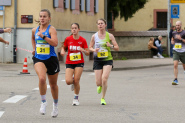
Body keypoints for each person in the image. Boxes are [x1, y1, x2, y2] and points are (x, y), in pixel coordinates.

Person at [31, 9, 60, 117]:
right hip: (39, 58)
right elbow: (33, 39)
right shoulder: (35, 30)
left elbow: (55, 43)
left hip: (51, 59)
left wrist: (44, 36)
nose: (42, 18)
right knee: (42, 78)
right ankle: (43, 102)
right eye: (41, 16)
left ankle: (55, 106)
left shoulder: (51, 30)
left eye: (44, 16)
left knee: (53, 85)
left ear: (49, 18)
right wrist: (34, 48)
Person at [89, 18, 119, 105]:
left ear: (105, 25)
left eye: (102, 23)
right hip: (97, 60)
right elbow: (90, 47)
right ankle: (100, 86)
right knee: (98, 82)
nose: (100, 25)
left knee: (104, 79)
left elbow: (117, 48)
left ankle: (103, 98)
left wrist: (111, 45)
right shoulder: (94, 36)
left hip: (107, 59)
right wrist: (94, 49)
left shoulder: (110, 36)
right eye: (98, 24)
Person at [60, 23, 89, 106]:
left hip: (79, 62)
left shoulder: (82, 40)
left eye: (75, 28)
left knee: (77, 80)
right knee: (68, 81)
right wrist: (62, 51)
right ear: (71, 30)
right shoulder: (68, 39)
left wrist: (83, 50)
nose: (74, 30)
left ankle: (76, 98)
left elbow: (87, 53)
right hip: (69, 62)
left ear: (78, 29)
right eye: (72, 28)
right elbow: (64, 47)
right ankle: (72, 82)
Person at [171, 21, 185, 85]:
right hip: (176, 51)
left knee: (184, 67)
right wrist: (172, 41)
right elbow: (172, 38)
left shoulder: (184, 32)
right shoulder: (173, 32)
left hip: (183, 51)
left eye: (178, 25)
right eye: (176, 25)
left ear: (181, 25)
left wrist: (181, 39)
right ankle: (175, 79)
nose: (177, 26)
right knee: (175, 65)